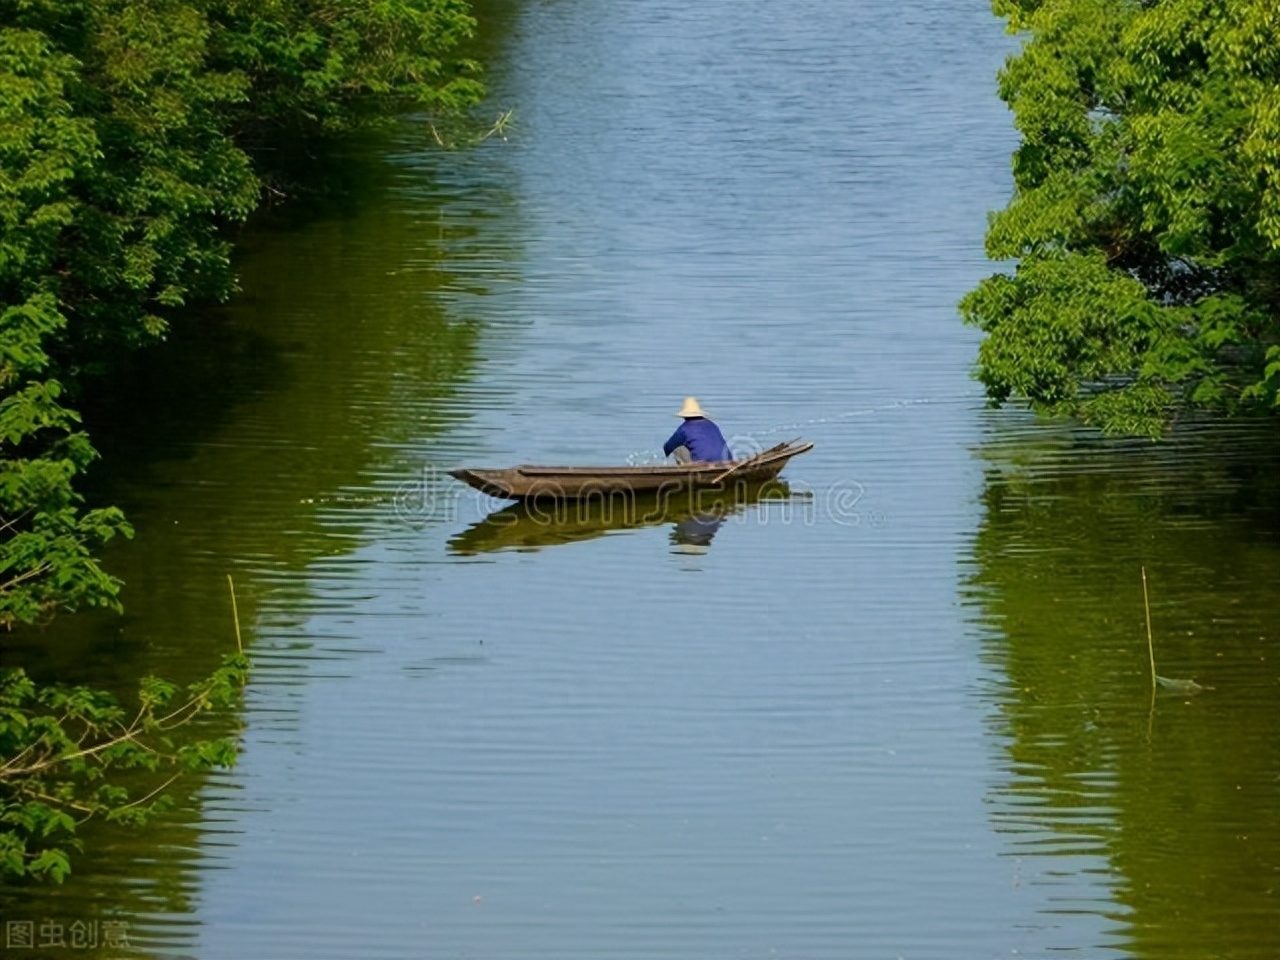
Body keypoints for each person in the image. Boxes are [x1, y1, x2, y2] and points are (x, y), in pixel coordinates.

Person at [663, 397, 733, 463]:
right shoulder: (712, 425)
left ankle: (686, 472)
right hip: (726, 462)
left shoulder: (684, 429)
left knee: (677, 448)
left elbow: (667, 447)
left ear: (684, 416)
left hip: (701, 464)